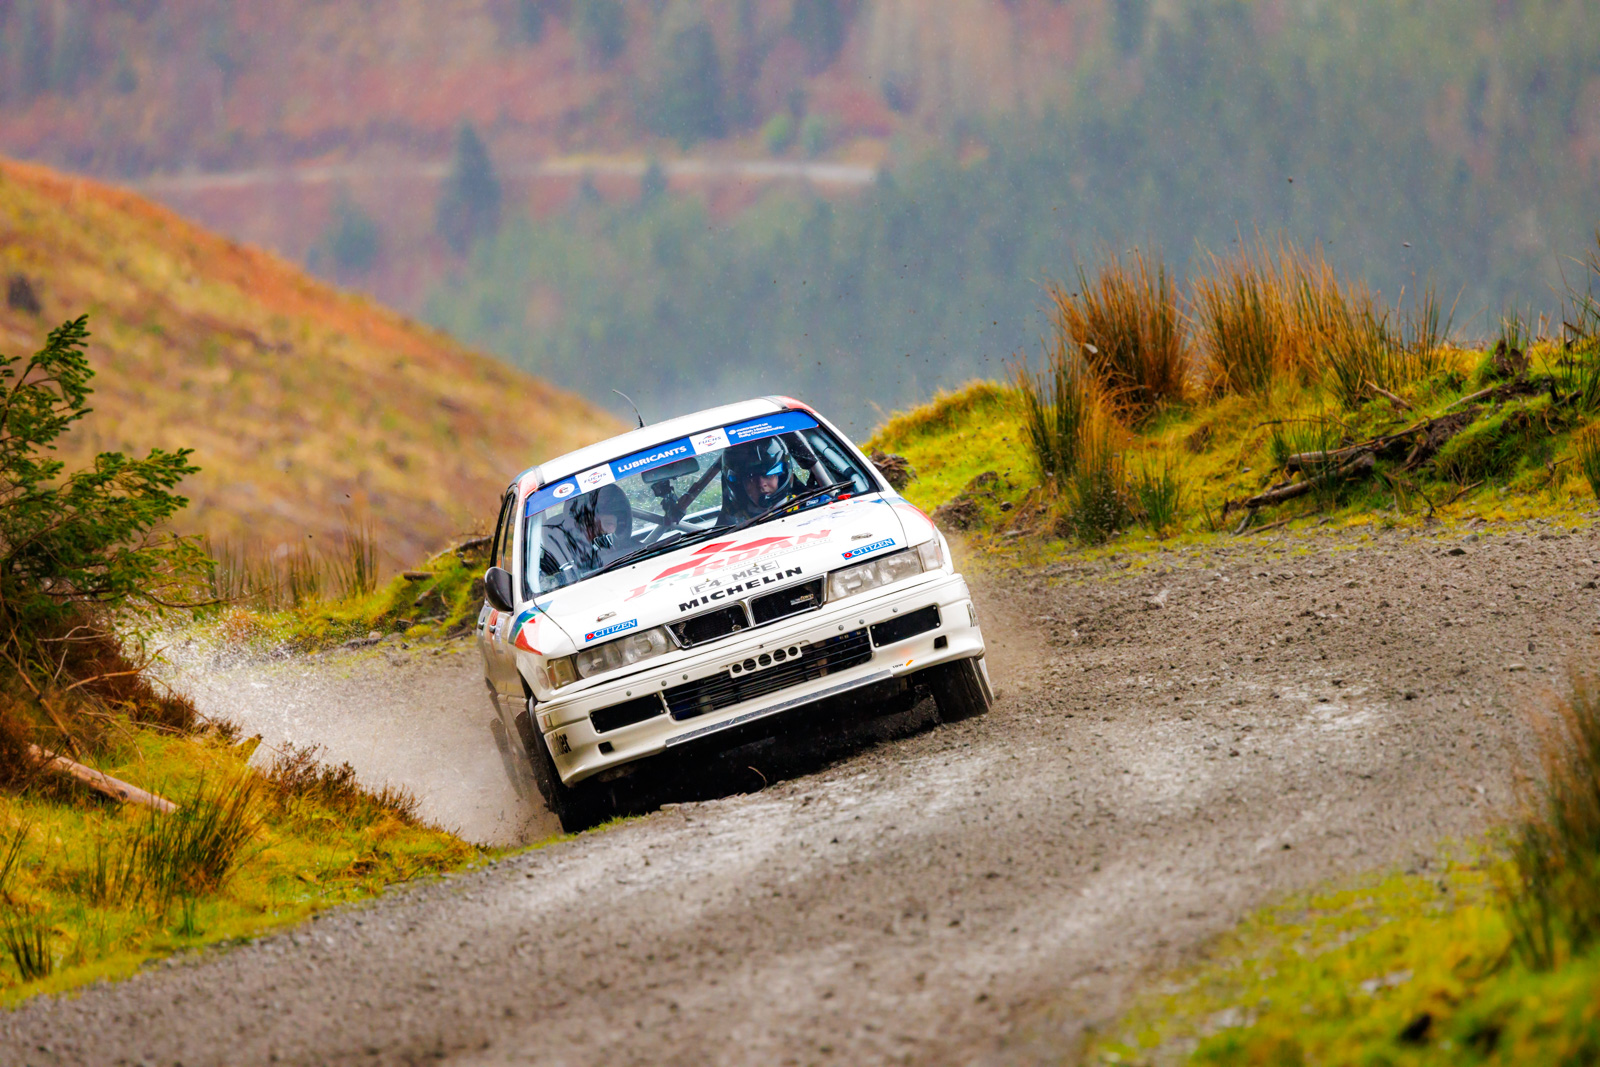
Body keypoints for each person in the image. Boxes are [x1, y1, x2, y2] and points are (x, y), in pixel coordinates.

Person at [718, 437, 797, 524]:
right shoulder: (732, 523)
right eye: (751, 478)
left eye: (768, 475)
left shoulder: (805, 504)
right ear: (740, 485)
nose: (761, 484)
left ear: (781, 476)